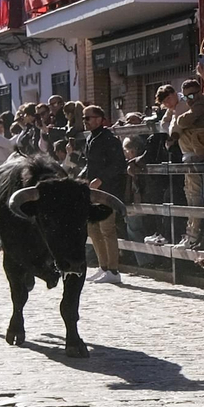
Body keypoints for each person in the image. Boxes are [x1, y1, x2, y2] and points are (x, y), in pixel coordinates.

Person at [169, 78, 204, 250]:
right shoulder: (192, 105)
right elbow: (172, 124)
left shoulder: (203, 102)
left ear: (200, 92)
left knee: (200, 198)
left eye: (193, 94)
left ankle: (196, 237)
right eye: (186, 96)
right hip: (196, 156)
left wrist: (181, 123)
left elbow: (182, 121)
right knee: (193, 196)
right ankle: (194, 236)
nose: (190, 99)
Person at [79, 106, 126, 285]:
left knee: (107, 229)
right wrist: (82, 176)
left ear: (99, 119)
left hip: (108, 191)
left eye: (88, 118)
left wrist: (101, 179)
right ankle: (103, 266)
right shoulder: (91, 138)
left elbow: (118, 164)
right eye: (84, 118)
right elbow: (89, 163)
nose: (85, 121)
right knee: (93, 228)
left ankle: (113, 270)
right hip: (93, 191)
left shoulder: (109, 139)